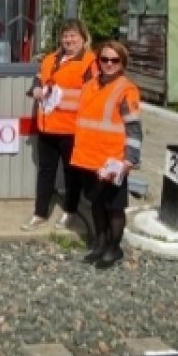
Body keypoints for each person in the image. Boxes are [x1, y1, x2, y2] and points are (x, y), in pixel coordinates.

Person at [70, 39, 142, 269]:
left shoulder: (126, 90)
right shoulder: (90, 85)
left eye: (114, 60)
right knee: (96, 204)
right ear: (98, 61)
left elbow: (134, 129)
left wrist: (129, 159)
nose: (109, 64)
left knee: (114, 207)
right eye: (104, 59)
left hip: (113, 161)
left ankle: (114, 247)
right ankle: (100, 243)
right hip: (89, 159)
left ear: (122, 63)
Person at [22, 19, 95, 231]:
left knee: (72, 173)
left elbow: (93, 94)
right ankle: (40, 212)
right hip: (47, 126)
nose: (69, 40)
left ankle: (70, 212)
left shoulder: (90, 62)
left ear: (83, 38)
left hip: (72, 128)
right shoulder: (50, 59)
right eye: (65, 36)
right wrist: (35, 89)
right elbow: (38, 80)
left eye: (73, 35)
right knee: (45, 171)